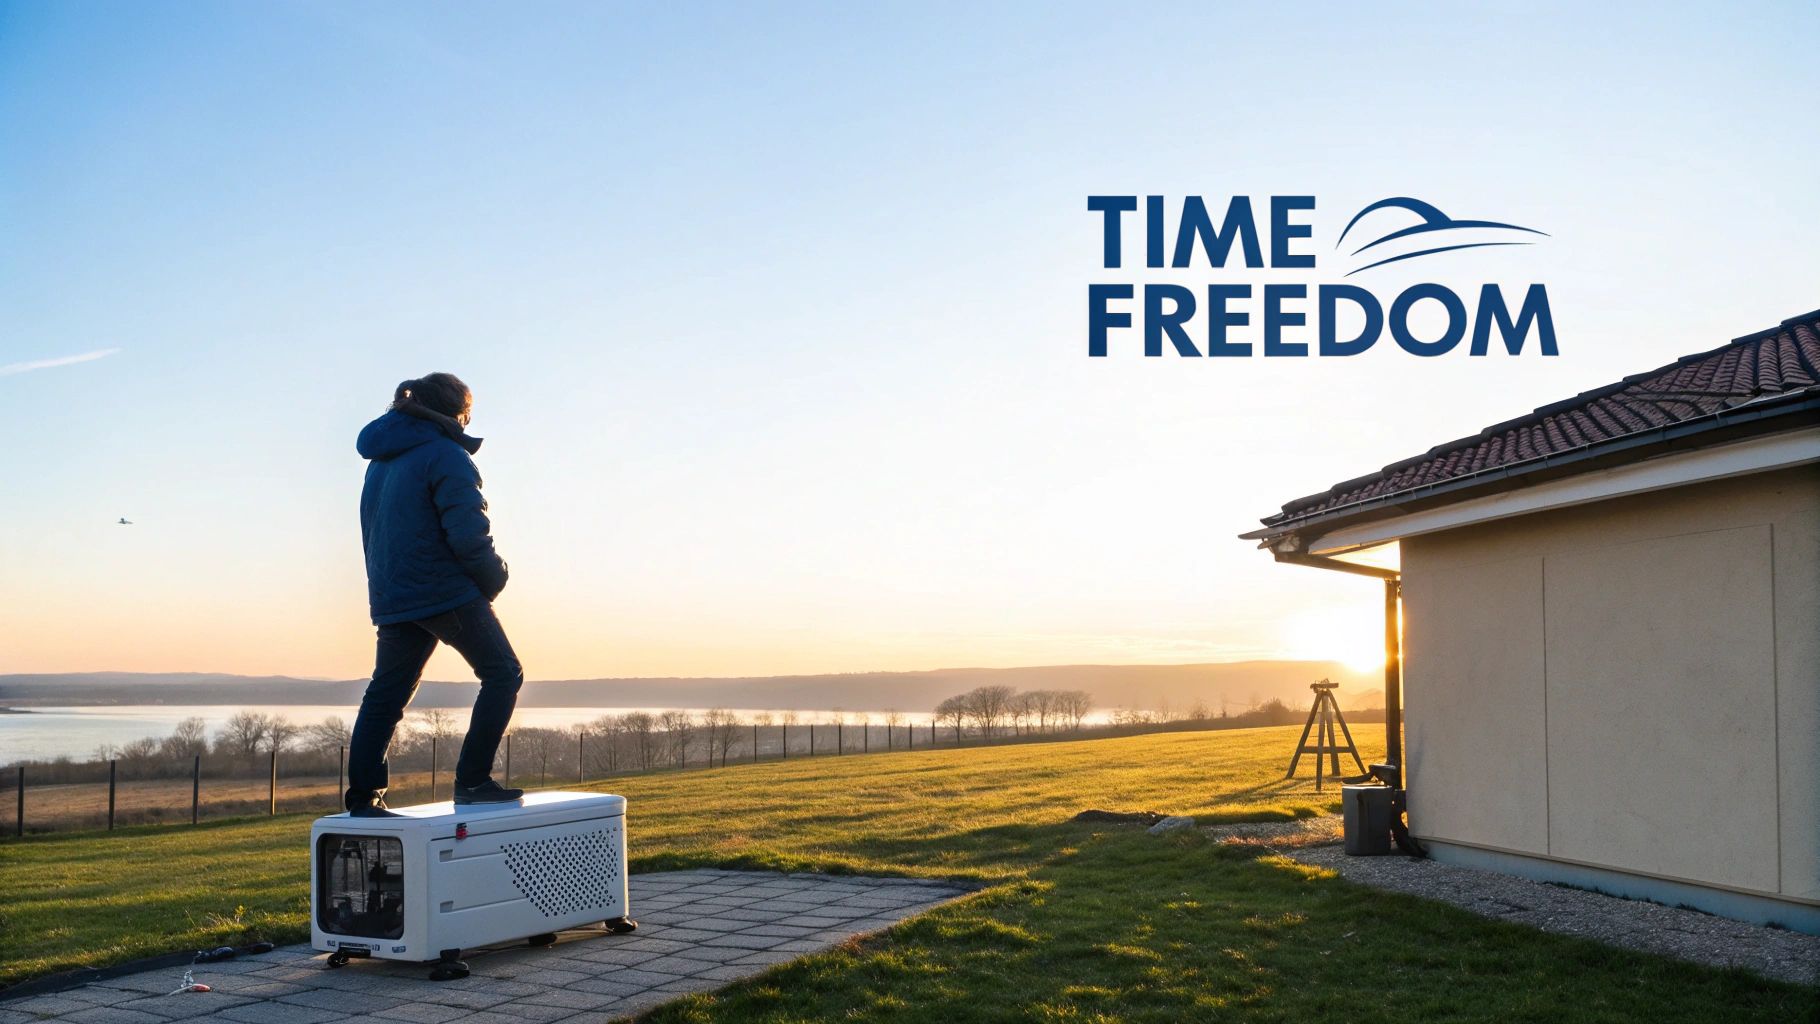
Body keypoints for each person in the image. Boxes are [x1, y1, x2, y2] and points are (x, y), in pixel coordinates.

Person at [344, 372, 525, 816]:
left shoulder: (381, 461)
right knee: (504, 674)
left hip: (393, 593)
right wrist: (495, 578)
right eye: (467, 412)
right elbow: (468, 534)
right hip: (442, 589)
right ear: (454, 412)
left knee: (386, 694)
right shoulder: (446, 455)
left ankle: (363, 798)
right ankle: (473, 782)